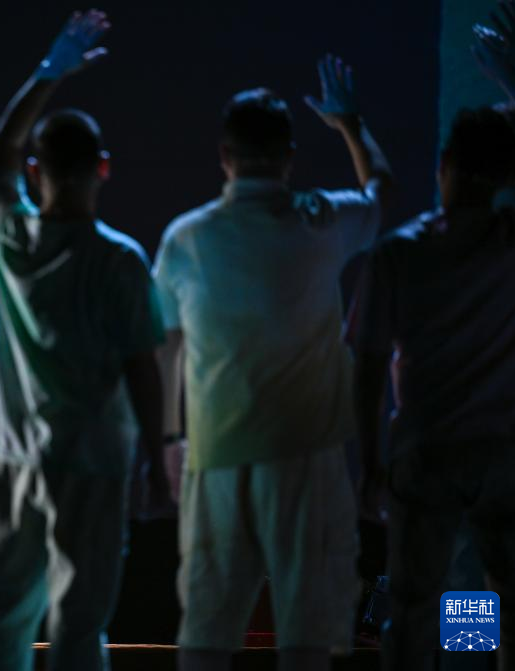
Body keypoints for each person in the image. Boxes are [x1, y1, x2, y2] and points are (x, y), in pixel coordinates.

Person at [153, 57, 393, 671]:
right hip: (307, 457)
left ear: (224, 154)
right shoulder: (321, 220)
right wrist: (349, 124)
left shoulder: (186, 237)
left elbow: (167, 349)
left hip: (217, 456)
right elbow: (381, 193)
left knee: (207, 634)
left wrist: (169, 440)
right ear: (289, 154)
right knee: (306, 638)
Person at [0, 10, 169, 671]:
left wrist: (48, 72)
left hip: (16, 458)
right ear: (103, 168)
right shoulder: (120, 261)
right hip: (94, 461)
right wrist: (156, 458)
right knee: (80, 625)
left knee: (4, 617)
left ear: (37, 171)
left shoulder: (11, 236)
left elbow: (0, 148)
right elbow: (143, 368)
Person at [350, 104, 515, 671]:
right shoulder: (511, 242)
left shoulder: (400, 252)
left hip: (427, 451)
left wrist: (370, 463)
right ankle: (471, 661)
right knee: (504, 598)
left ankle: (461, 660)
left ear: (444, 164)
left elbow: (368, 367)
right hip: (503, 450)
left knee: (415, 607)